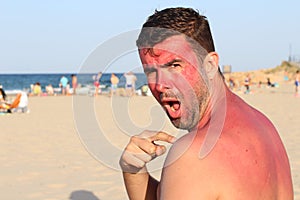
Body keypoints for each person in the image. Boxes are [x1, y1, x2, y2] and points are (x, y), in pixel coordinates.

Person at [119, 7, 293, 199]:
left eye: (174, 65)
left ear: (210, 65)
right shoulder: (264, 126)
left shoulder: (194, 155)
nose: (160, 84)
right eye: (151, 72)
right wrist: (133, 171)